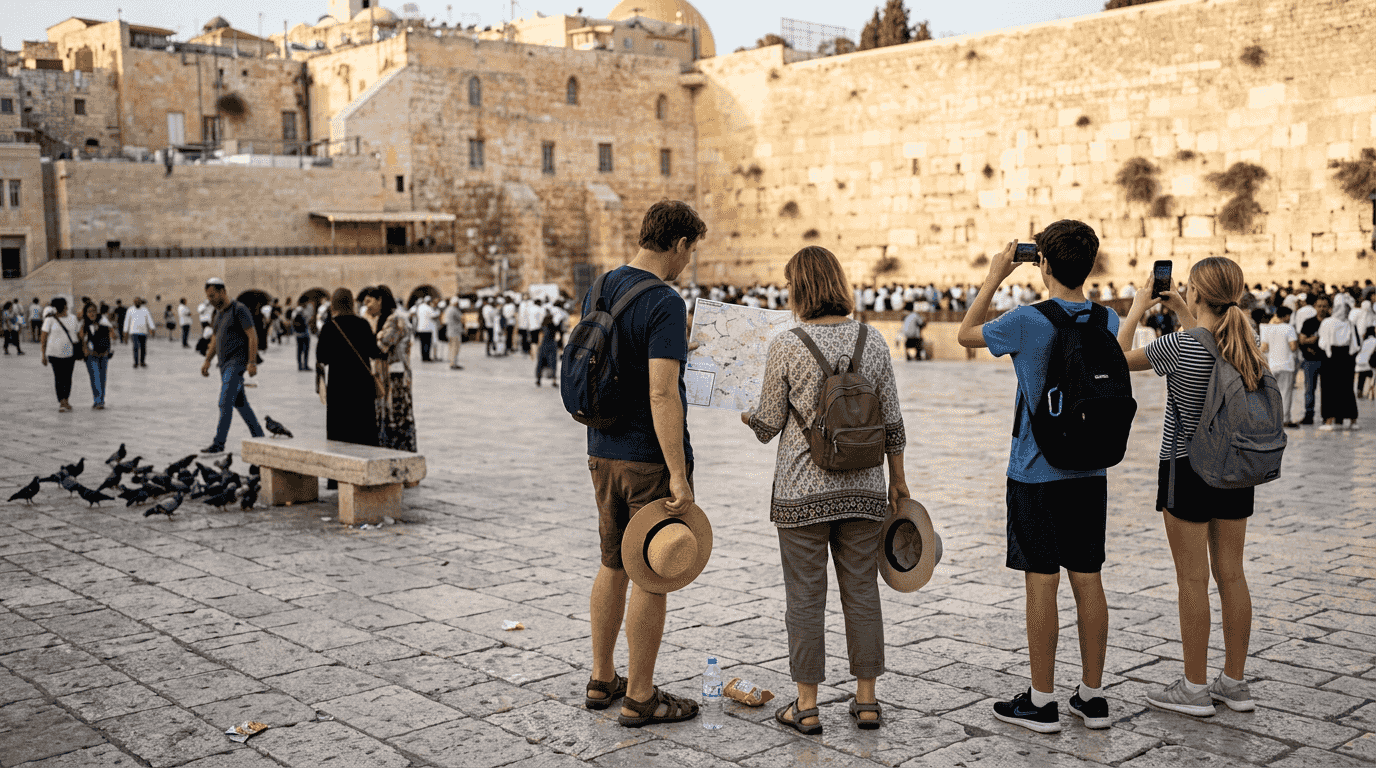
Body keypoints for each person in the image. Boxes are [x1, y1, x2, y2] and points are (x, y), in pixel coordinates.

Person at [957, 222, 1114, 733]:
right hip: (1090, 470)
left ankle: (1042, 700)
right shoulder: (1107, 320)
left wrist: (995, 275)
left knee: (1041, 582)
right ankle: (1091, 698)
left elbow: (965, 333)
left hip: (1035, 471)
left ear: (1042, 264)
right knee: (1088, 579)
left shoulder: (1025, 321)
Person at [743, 246, 906, 733]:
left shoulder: (787, 344)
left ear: (800, 288)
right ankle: (868, 700)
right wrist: (899, 482)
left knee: (805, 597)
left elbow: (769, 424)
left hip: (801, 494)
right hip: (864, 489)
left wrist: (749, 415)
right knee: (862, 591)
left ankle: (807, 706)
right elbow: (893, 422)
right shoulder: (873, 341)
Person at [1116, 256, 1262, 718]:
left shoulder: (1178, 346)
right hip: (1237, 469)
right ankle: (1234, 684)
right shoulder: (1249, 343)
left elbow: (1116, 363)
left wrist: (1137, 309)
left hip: (1186, 468)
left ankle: (1194, 688)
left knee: (1192, 580)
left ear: (1197, 294)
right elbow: (1210, 342)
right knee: (1232, 575)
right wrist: (1184, 308)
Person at [582, 200, 705, 728]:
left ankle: (601, 677)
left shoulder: (602, 286)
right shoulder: (665, 301)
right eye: (690, 251)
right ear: (678, 244)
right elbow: (661, 395)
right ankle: (640, 696)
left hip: (600, 449)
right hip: (645, 458)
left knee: (612, 563)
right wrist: (677, 473)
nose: (688, 261)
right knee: (653, 572)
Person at [199, 278, 265, 454]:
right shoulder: (219, 314)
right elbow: (215, 339)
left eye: (213, 295)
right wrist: (207, 360)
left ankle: (219, 443)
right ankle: (260, 437)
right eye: (208, 297)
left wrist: (251, 362)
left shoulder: (239, 310)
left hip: (236, 365)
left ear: (222, 292)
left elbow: (252, 336)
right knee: (241, 404)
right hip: (223, 365)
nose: (211, 299)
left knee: (224, 402)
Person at [316, 288, 383, 446]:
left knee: (340, 433)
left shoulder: (329, 327)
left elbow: (322, 358)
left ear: (334, 305)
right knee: (363, 431)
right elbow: (373, 352)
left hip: (340, 387)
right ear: (351, 304)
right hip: (362, 387)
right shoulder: (363, 324)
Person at [367, 285, 417, 452]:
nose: (367, 306)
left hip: (395, 381)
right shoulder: (386, 319)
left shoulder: (395, 320)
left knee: (396, 419)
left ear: (380, 300)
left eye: (369, 301)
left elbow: (378, 348)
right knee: (387, 420)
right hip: (386, 379)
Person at [1318, 302, 1360, 430]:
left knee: (1329, 388)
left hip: (1331, 358)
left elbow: (1323, 343)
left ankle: (1329, 421)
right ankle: (1353, 421)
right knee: (1347, 387)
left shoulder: (1327, 322)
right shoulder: (1350, 323)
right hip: (1347, 357)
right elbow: (1356, 344)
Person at [1259, 306, 1300, 427]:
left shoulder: (1268, 329)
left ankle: (1272, 419)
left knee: (1271, 393)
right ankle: (1285, 419)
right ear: (1287, 316)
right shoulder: (1289, 328)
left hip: (1272, 365)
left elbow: (1264, 348)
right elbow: (1293, 346)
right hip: (1286, 365)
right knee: (1286, 393)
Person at [40, 297, 80, 413]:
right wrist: (43, 355)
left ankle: (66, 399)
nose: (67, 307)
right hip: (54, 354)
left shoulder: (73, 318)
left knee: (68, 378)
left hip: (70, 354)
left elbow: (77, 334)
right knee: (59, 377)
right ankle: (62, 401)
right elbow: (43, 338)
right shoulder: (50, 320)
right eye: (65, 305)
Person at [1296, 296, 1330, 425]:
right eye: (1319, 306)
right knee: (1309, 389)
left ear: (1328, 307)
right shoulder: (1309, 322)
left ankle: (1326, 415)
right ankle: (1308, 415)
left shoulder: (1331, 322)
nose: (1322, 309)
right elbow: (1302, 340)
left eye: (1324, 306)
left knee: (1327, 390)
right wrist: (1313, 339)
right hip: (1311, 361)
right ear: (1315, 307)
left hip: (1327, 362)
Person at [78, 301, 114, 410]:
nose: (92, 313)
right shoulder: (84, 324)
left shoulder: (103, 320)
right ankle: (98, 400)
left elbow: (111, 332)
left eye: (93, 311)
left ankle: (101, 400)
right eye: (89, 311)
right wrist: (85, 349)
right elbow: (80, 337)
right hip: (91, 355)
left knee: (102, 378)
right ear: (86, 313)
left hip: (103, 354)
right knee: (95, 377)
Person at [124, 297, 155, 367]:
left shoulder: (145, 310)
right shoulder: (130, 310)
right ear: (134, 302)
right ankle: (136, 362)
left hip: (143, 332)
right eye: (136, 301)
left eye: (139, 301)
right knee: (135, 347)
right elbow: (127, 321)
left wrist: (152, 328)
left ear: (141, 302)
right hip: (134, 332)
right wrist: (125, 331)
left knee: (143, 348)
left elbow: (149, 319)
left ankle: (142, 362)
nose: (137, 303)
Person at [534, 308, 558, 386]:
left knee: (540, 364)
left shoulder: (543, 328)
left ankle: (538, 380)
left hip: (544, 346)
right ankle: (554, 381)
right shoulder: (554, 327)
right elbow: (557, 337)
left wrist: (538, 347)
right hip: (552, 346)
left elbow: (540, 338)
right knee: (553, 364)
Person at [414, 295, 438, 362]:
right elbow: (434, 316)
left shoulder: (420, 307)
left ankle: (423, 357)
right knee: (427, 344)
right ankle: (427, 358)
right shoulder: (428, 308)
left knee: (422, 344)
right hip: (427, 329)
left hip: (420, 328)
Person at [443, 296, 464, 369]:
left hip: (449, 331)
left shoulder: (448, 309)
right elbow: (462, 318)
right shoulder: (454, 310)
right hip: (455, 331)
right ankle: (454, 364)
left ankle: (452, 362)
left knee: (451, 348)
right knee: (455, 348)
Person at [292, 302, 313, 371]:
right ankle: (306, 365)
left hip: (298, 334)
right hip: (305, 333)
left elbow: (292, 321)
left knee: (299, 350)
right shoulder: (305, 311)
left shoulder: (295, 311)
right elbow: (308, 321)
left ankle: (300, 366)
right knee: (306, 350)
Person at [1356, 327, 1376, 400]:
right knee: (1372, 378)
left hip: (1361, 363)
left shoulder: (1364, 341)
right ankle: (1371, 392)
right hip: (1369, 363)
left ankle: (1359, 390)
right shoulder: (1375, 341)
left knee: (1361, 377)